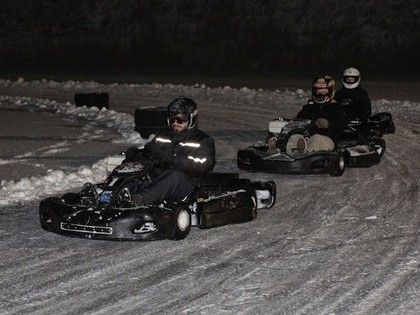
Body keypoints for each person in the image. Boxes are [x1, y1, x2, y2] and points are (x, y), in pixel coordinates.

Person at [125, 96, 215, 206]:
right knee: (140, 175)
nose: (176, 123)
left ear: (191, 119)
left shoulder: (203, 140)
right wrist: (138, 155)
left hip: (187, 183)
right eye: (173, 119)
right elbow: (150, 151)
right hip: (160, 178)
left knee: (174, 176)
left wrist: (172, 158)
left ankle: (139, 201)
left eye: (180, 119)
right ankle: (113, 195)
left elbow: (202, 164)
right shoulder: (163, 136)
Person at [268, 75, 346, 154]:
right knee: (295, 137)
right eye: (317, 91)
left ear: (331, 92)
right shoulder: (308, 108)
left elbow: (341, 123)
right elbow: (300, 119)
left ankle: (305, 153)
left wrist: (328, 124)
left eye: (323, 92)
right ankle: (281, 151)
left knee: (317, 139)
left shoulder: (336, 109)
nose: (320, 94)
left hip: (327, 139)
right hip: (306, 137)